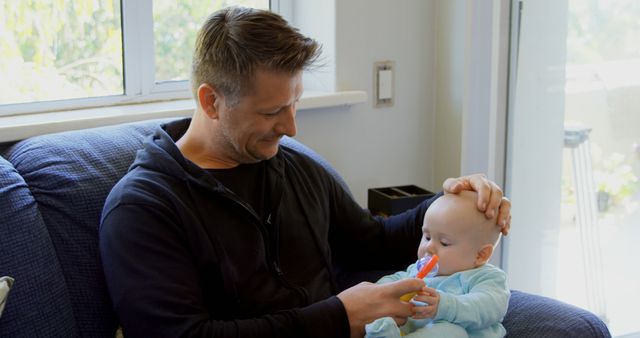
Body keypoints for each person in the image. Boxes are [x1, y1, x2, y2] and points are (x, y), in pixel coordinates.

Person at [99, 6, 511, 338]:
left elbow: (373, 242)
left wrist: (456, 203)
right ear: (211, 101)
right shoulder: (143, 210)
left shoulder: (294, 167)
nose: (291, 128)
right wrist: (337, 317)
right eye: (272, 111)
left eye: (294, 103)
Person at [364, 190, 510, 338]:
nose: (429, 247)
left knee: (451, 332)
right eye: (427, 237)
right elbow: (397, 279)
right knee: (381, 318)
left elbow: (487, 307)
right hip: (408, 331)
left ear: (480, 255)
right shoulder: (417, 270)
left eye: (444, 243)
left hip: (459, 333)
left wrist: (446, 306)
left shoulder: (488, 277)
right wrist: (381, 289)